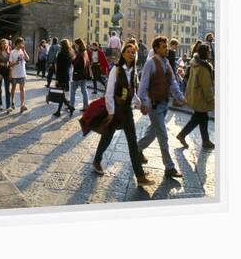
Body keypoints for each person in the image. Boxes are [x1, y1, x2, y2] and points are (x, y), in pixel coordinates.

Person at [91, 44, 154, 186]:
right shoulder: (116, 69)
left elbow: (132, 93)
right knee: (107, 137)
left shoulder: (133, 71)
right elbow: (109, 92)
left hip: (127, 111)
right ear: (123, 53)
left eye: (133, 52)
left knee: (133, 143)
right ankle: (96, 161)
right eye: (129, 52)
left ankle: (140, 176)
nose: (131, 54)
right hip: (116, 110)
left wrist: (140, 105)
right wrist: (111, 113)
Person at [137, 36, 187, 179]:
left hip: (164, 104)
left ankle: (137, 149)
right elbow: (143, 86)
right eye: (164, 47)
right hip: (154, 106)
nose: (167, 49)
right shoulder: (150, 64)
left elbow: (172, 82)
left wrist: (180, 97)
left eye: (166, 46)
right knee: (163, 136)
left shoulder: (166, 63)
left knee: (152, 132)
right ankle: (169, 167)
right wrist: (144, 103)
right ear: (156, 48)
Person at [176, 44, 215, 149]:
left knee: (203, 117)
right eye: (209, 51)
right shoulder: (203, 67)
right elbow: (206, 86)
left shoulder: (195, 63)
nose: (210, 53)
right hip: (201, 97)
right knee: (199, 117)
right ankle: (182, 135)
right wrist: (211, 98)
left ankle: (205, 141)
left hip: (195, 95)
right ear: (205, 53)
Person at [53, 39, 75, 117]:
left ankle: (70, 107)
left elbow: (58, 67)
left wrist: (57, 79)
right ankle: (59, 111)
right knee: (61, 94)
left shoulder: (60, 54)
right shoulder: (69, 54)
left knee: (61, 94)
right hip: (66, 75)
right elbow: (69, 66)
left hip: (61, 76)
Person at [9, 37, 30, 113]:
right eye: (21, 43)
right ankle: (12, 102)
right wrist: (15, 63)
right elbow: (10, 64)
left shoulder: (22, 51)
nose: (22, 44)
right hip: (14, 73)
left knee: (22, 89)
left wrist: (24, 50)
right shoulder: (12, 52)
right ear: (17, 43)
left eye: (22, 43)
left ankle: (22, 105)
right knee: (13, 88)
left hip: (22, 73)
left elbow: (28, 59)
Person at [70, 38, 90, 112]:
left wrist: (73, 59)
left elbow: (78, 64)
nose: (74, 45)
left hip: (78, 75)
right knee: (84, 91)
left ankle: (71, 105)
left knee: (73, 90)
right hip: (83, 74)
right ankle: (86, 106)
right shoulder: (84, 52)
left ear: (78, 44)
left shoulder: (80, 53)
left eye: (75, 44)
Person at [0, 38, 12, 113]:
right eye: (2, 43)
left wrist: (10, 73)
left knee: (7, 89)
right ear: (0, 44)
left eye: (5, 43)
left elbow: (10, 64)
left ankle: (8, 106)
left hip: (7, 71)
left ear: (7, 44)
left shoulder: (9, 52)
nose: (4, 44)